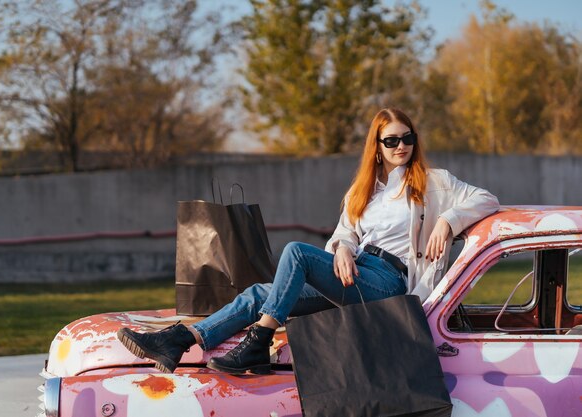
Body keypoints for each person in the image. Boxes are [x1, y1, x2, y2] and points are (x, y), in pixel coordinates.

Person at [117, 107, 500, 375]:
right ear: (377, 148)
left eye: (408, 137)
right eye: (391, 140)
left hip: (390, 283)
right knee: (257, 294)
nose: (401, 145)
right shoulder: (363, 191)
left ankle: (258, 340)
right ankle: (180, 339)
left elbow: (487, 198)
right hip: (357, 272)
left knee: (297, 252)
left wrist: (447, 222)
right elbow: (343, 234)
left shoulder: (434, 182)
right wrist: (345, 249)